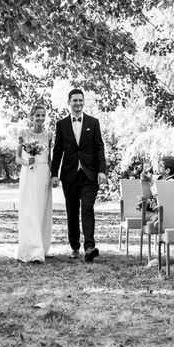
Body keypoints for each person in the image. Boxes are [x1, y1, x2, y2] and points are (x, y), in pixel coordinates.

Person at [51, 89, 106, 262]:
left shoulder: (93, 122)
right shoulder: (61, 125)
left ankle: (89, 246)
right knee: (72, 211)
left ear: (83, 102)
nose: (78, 103)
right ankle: (74, 246)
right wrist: (54, 174)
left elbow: (99, 147)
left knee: (88, 208)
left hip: (89, 175)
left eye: (81, 100)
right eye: (75, 100)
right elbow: (58, 150)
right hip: (69, 175)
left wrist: (102, 171)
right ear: (69, 102)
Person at [14, 103, 52, 263]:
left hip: (43, 173)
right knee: (29, 209)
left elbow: (49, 157)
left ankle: (41, 247)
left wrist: (53, 175)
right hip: (29, 174)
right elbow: (17, 158)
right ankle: (31, 249)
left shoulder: (49, 134)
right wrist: (25, 161)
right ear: (31, 117)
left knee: (42, 209)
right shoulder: (23, 133)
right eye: (37, 115)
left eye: (43, 115)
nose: (40, 118)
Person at [141, 155, 174, 260]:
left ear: (167, 170)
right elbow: (143, 177)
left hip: (168, 213)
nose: (158, 167)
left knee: (147, 213)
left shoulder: (171, 182)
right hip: (169, 214)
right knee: (145, 210)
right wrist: (145, 172)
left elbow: (158, 194)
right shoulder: (161, 178)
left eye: (160, 166)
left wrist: (151, 182)